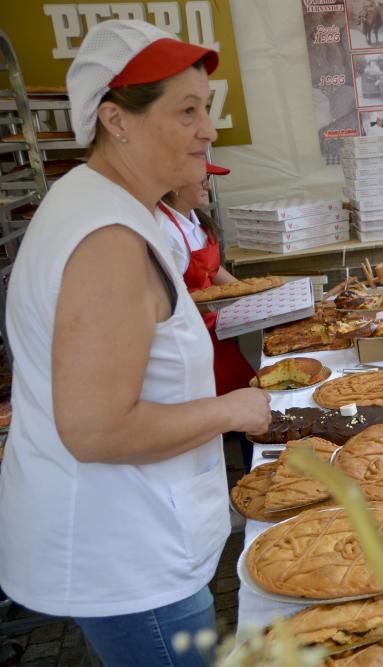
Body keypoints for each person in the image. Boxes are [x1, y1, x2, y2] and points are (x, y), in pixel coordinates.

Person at [0, 20, 271, 666]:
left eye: (206, 107)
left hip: (132, 540)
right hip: (129, 555)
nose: (208, 128)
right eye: (187, 111)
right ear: (116, 120)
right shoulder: (106, 239)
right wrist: (236, 409)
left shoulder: (109, 209)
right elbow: (95, 428)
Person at [156, 163, 256, 396]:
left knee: (243, 389)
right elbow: (168, 303)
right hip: (189, 338)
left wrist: (249, 292)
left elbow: (211, 269)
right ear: (176, 185)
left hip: (213, 329)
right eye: (203, 180)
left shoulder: (193, 219)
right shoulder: (164, 231)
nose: (208, 187)